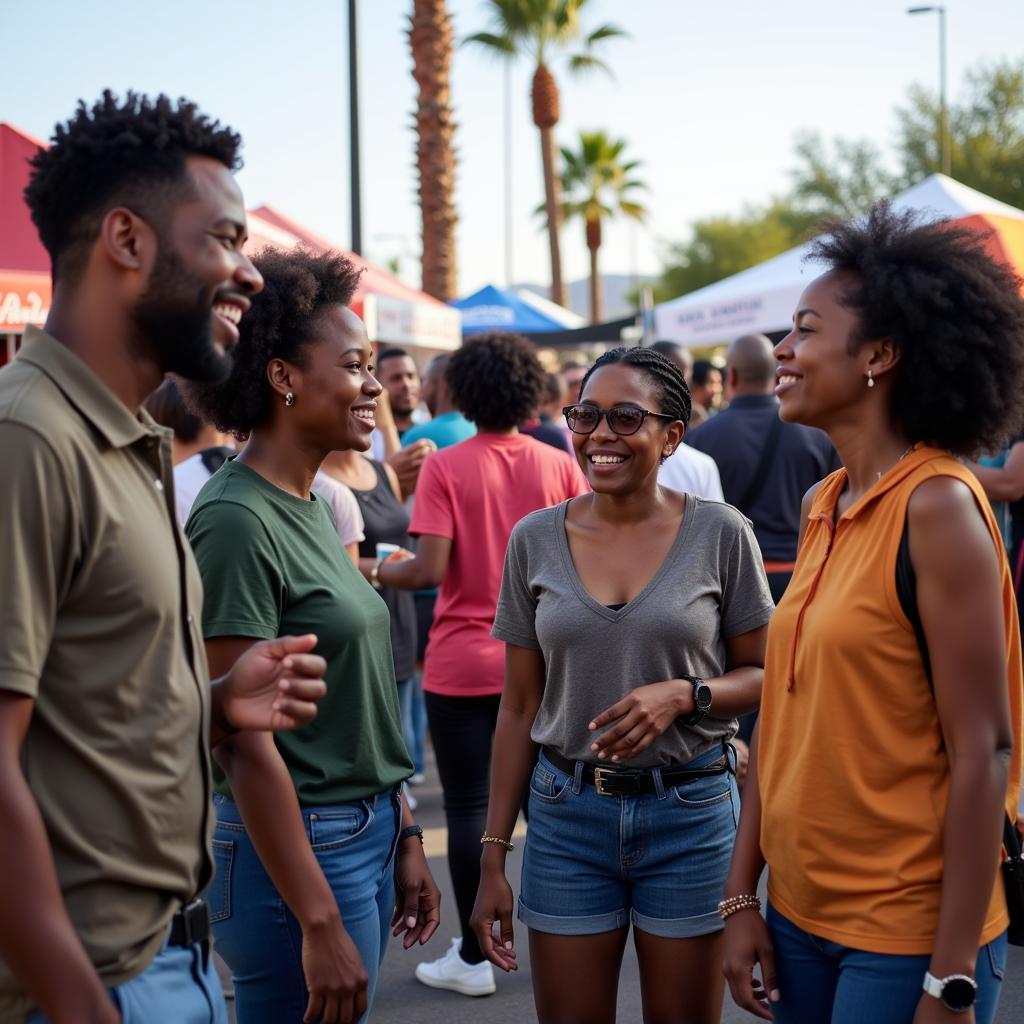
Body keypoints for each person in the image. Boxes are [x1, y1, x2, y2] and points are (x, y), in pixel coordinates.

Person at [0, 90, 328, 1024]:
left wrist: (218, 709)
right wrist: (81, 1005)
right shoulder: (29, 440)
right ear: (127, 240)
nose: (250, 275)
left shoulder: (124, 442)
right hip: (92, 985)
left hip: (170, 960)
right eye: (224, 238)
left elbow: (77, 717)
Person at [722, 203, 1024, 1024]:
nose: (781, 351)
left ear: (880, 356)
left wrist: (949, 977)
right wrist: (741, 898)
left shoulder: (938, 508)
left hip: (905, 937)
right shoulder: (827, 498)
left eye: (805, 330)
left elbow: (984, 749)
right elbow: (780, 720)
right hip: (799, 916)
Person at [472, 346, 773, 1024]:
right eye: (585, 415)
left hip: (691, 813)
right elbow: (519, 704)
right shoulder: (535, 539)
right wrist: (492, 856)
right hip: (566, 815)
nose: (600, 435)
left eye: (626, 417)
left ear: (672, 434)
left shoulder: (722, 533)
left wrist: (685, 695)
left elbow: (766, 673)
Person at [183, 248, 441, 1024]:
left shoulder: (313, 504)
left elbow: (353, 699)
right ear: (284, 377)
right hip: (294, 851)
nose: (374, 387)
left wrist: (401, 826)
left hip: (357, 829)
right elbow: (238, 738)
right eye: (357, 366)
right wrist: (318, 916)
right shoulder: (235, 519)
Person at [378, 332, 587, 997]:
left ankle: (472, 957)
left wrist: (375, 565)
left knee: (469, 805)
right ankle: (569, 933)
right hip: (546, 660)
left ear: (460, 392)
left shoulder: (445, 465)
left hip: (462, 661)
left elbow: (428, 569)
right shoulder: (559, 462)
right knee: (546, 802)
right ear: (530, 390)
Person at [688, 333, 839, 603]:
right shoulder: (817, 434)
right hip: (804, 574)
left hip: (731, 580)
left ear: (731, 376)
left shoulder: (701, 438)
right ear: (776, 373)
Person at [318, 445, 422, 796]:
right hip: (360, 621)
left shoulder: (383, 472)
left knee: (403, 734)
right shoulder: (321, 485)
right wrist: (381, 570)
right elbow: (331, 566)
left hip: (400, 611)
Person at [401, 354, 476, 450]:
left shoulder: (418, 437)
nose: (421, 387)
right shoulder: (478, 429)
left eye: (425, 380)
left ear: (442, 385)